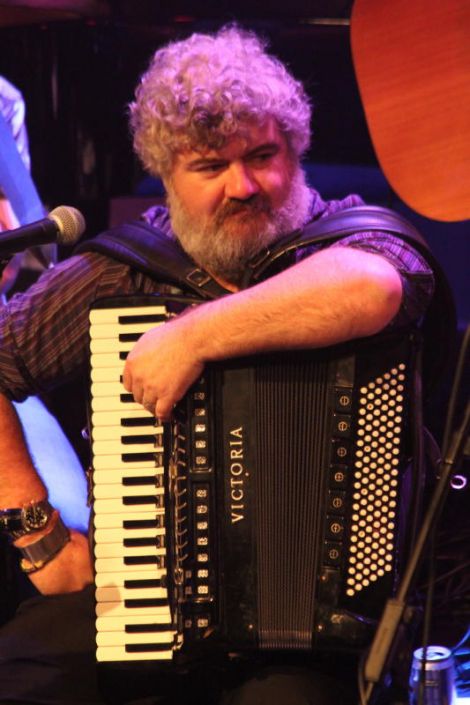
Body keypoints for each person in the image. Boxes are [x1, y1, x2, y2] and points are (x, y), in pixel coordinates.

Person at [0, 25, 435, 705]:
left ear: (297, 148)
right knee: (27, 675)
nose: (244, 185)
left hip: (316, 631)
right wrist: (38, 533)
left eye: (264, 154)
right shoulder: (125, 270)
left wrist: (190, 337)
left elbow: (372, 287)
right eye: (209, 166)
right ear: (166, 174)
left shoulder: (352, 240)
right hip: (138, 598)